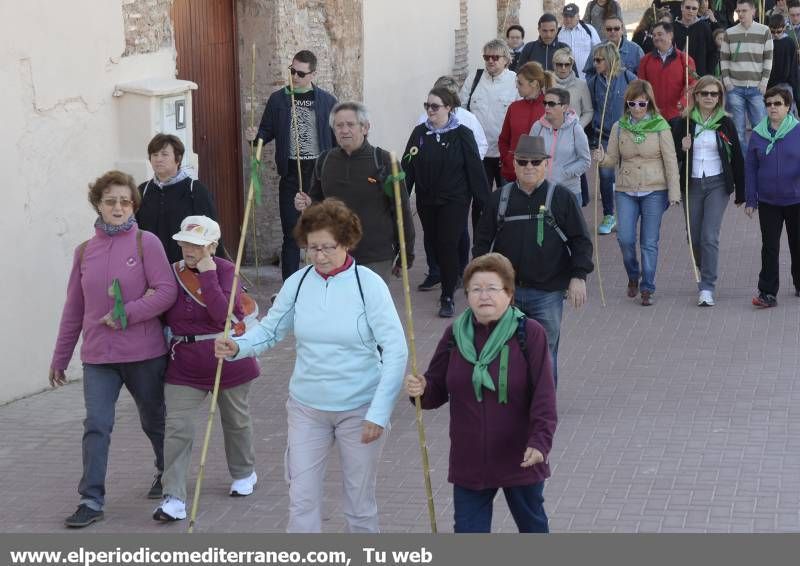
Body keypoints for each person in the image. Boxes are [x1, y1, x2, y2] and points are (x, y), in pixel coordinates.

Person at [214, 199, 407, 532]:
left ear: (346, 242)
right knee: (301, 500)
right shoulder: (299, 283)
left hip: (360, 408)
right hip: (307, 408)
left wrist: (379, 411)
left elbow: (396, 350)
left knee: (360, 505)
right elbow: (271, 330)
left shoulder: (369, 285)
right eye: (312, 248)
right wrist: (238, 346)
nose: (319, 256)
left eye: (327, 248)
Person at [50, 171, 178, 528]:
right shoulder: (84, 251)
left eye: (125, 201)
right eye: (110, 201)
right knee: (96, 424)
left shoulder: (147, 243)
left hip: (144, 354)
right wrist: (60, 357)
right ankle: (91, 499)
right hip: (99, 358)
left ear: (133, 205)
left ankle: (167, 474)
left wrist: (127, 314)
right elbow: (74, 309)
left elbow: (166, 290)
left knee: (154, 421)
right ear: (98, 205)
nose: (118, 207)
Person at [403, 253, 557, 533]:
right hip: (470, 457)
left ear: (509, 294)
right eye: (476, 289)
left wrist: (540, 442)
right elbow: (436, 389)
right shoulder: (455, 334)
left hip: (520, 455)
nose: (483, 296)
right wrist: (420, 389)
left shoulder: (529, 333)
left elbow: (545, 396)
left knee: (533, 528)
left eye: (492, 289)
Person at [153, 216, 261, 522]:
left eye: (197, 245)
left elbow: (222, 316)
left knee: (236, 420)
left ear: (212, 246)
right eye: (186, 243)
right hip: (184, 363)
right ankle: (173, 497)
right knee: (177, 427)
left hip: (226, 360)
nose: (189, 249)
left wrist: (208, 275)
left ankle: (243, 473)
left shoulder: (227, 271)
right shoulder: (171, 272)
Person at [474, 135, 593, 386]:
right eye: (523, 161)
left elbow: (580, 241)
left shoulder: (562, 198)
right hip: (506, 294)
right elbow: (482, 243)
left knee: (544, 351)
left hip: (547, 292)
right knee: (504, 350)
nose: (529, 167)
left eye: (535, 162)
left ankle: (543, 405)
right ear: (514, 164)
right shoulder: (499, 200)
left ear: (545, 165)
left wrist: (578, 276)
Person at [295, 101, 415, 282]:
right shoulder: (324, 160)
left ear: (365, 127)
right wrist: (306, 203)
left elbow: (402, 210)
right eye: (339, 125)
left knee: (370, 308)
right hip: (334, 254)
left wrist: (406, 253)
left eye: (350, 125)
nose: (344, 130)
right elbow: (317, 202)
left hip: (374, 256)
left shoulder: (384, 161)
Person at [246, 50, 337, 281]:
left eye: (300, 73)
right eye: (292, 71)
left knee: (321, 230)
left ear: (312, 74)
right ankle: (290, 287)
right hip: (290, 174)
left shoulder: (327, 102)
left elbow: (337, 139)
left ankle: (324, 279)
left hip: (318, 175)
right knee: (291, 233)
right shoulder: (279, 99)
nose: (294, 77)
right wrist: (254, 137)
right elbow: (266, 133)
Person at [593, 80, 681, 306]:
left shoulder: (661, 126)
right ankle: (633, 274)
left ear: (649, 103)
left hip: (655, 189)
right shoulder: (619, 126)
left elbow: (671, 161)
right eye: (632, 103)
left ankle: (647, 287)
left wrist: (674, 192)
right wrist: (602, 159)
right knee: (625, 238)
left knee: (649, 241)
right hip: (626, 188)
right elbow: (612, 159)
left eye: (641, 104)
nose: (637, 108)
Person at [404, 88, 490, 317]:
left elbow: (474, 170)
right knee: (432, 240)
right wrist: (401, 196)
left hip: (455, 200)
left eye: (435, 106)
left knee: (448, 243)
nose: (430, 110)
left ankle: (447, 295)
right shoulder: (419, 134)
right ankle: (445, 277)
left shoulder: (462, 134)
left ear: (449, 108)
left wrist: (485, 204)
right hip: (427, 200)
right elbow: (408, 166)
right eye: (427, 106)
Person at [672, 75, 745, 307]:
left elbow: (738, 159)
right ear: (696, 95)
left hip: (717, 184)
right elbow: (672, 155)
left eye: (714, 94)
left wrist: (741, 192)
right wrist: (683, 149)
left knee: (709, 236)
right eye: (705, 93)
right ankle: (704, 268)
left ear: (720, 97)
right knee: (693, 236)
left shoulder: (725, 122)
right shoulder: (683, 122)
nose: (710, 98)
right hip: (691, 184)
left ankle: (707, 286)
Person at [744, 87, 800, 307]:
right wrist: (750, 199)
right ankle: (767, 292)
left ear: (788, 106)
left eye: (778, 103)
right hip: (768, 201)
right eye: (769, 104)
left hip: (796, 199)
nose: (773, 108)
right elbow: (750, 168)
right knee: (769, 246)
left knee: (797, 243)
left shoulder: (797, 130)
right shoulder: (758, 134)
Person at [136, 134, 220, 264]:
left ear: (178, 158)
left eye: (164, 154)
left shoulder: (195, 190)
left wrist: (216, 269)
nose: (158, 159)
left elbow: (212, 234)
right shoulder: (142, 191)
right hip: (149, 268)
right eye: (154, 154)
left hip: (187, 270)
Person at [587, 42, 639, 234]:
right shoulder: (593, 82)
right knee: (606, 176)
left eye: (599, 60)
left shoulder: (627, 77)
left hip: (627, 134)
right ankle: (609, 215)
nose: (595, 63)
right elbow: (592, 107)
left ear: (609, 60)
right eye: (594, 60)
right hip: (604, 135)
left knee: (628, 175)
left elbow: (641, 101)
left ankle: (628, 214)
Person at [460, 39, 519, 191]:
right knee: (480, 201)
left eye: (495, 57)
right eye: (487, 57)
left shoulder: (516, 81)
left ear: (506, 59)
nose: (490, 61)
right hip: (478, 153)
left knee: (506, 198)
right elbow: (461, 110)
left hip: (505, 154)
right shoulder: (474, 78)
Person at [720, 0, 774, 154]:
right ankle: (744, 168)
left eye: (744, 10)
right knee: (738, 132)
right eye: (739, 11)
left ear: (753, 12)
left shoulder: (764, 31)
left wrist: (764, 83)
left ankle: (762, 162)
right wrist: (727, 82)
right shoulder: (729, 33)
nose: (741, 14)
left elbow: (768, 59)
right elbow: (723, 59)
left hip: (756, 88)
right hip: (735, 88)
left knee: (761, 129)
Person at [529, 88, 592, 202]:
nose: (547, 107)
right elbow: (529, 156)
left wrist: (564, 173)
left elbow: (585, 161)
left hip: (569, 191)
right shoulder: (537, 127)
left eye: (552, 104)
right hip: (540, 190)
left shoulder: (576, 129)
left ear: (564, 107)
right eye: (545, 103)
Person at [498, 62, 556, 183]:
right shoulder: (514, 107)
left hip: (542, 176)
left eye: (520, 83)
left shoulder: (550, 108)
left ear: (534, 84)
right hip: (512, 173)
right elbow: (504, 139)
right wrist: (508, 160)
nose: (516, 86)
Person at [553, 48, 594, 207]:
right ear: (554, 65)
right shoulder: (547, 83)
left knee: (575, 172)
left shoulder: (581, 85)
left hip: (574, 136)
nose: (563, 68)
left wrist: (577, 127)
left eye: (567, 64)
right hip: (553, 134)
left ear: (572, 65)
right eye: (559, 64)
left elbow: (588, 111)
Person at [638, 22, 698, 121]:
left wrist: (683, 101)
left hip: (677, 114)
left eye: (660, 34)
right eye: (654, 35)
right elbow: (641, 87)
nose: (656, 37)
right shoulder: (645, 60)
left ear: (670, 35)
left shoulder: (685, 59)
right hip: (653, 115)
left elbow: (692, 83)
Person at [672, 0, 719, 77]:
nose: (690, 11)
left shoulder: (704, 27)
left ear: (698, 10)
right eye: (688, 7)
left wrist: (707, 74)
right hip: (676, 74)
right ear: (681, 7)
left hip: (698, 76)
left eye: (694, 8)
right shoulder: (673, 27)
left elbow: (713, 52)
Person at [559, 3, 601, 79]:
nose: (568, 19)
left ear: (578, 17)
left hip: (586, 79)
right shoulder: (558, 33)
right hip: (564, 81)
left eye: (571, 16)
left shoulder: (589, 30)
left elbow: (599, 51)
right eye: (565, 16)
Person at [767, 14, 800, 109]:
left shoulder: (789, 42)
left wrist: (797, 96)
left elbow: (794, 69)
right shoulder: (768, 42)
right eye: (772, 32)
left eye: (779, 31)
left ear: (784, 28)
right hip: (770, 84)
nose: (776, 34)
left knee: (786, 111)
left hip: (786, 84)